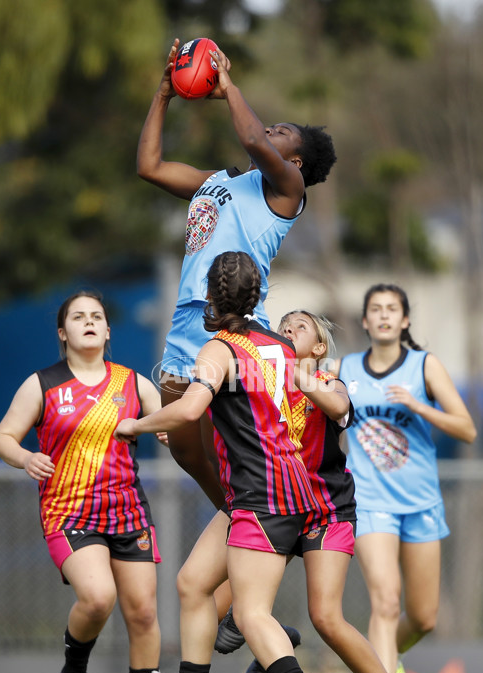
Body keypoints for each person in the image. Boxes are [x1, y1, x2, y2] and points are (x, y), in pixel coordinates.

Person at [114, 251, 324, 673]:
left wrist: (139, 424)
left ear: (209, 295)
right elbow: (253, 407)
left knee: (250, 613)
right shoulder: (278, 345)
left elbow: (190, 408)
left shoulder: (218, 349)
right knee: (193, 584)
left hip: (263, 492)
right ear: (258, 295)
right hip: (279, 484)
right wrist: (184, 421)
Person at [136, 37, 337, 512]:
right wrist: (164, 93)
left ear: (296, 161)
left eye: (283, 131)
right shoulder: (218, 181)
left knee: (239, 445)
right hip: (188, 320)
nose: (270, 129)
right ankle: (237, 517)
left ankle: (270, 514)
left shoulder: (287, 190)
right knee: (187, 451)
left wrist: (226, 84)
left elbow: (251, 139)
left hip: (237, 325)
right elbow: (149, 166)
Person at [226, 310, 422, 673]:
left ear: (317, 348)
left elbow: (337, 406)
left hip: (325, 510)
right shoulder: (260, 382)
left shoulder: (328, 380)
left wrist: (292, 371)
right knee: (222, 606)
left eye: (298, 327)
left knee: (327, 617)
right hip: (275, 504)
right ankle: (277, 640)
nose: (286, 331)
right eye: (281, 327)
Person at [0, 291, 164, 673]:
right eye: (78, 317)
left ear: (108, 331)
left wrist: (167, 431)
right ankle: (74, 672)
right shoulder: (43, 384)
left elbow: (168, 423)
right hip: (69, 513)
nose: (89, 322)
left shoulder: (134, 383)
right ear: (62, 333)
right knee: (98, 596)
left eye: (97, 317)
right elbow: (3, 438)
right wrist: (25, 457)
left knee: (143, 612)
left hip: (128, 512)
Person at [335, 283, 477, 673]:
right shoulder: (346, 368)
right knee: (386, 602)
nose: (382, 316)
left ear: (405, 320)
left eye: (391, 309)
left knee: (423, 616)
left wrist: (420, 406)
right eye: (375, 309)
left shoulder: (423, 366)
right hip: (370, 501)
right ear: (364, 321)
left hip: (420, 502)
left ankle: (386, 657)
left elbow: (466, 428)